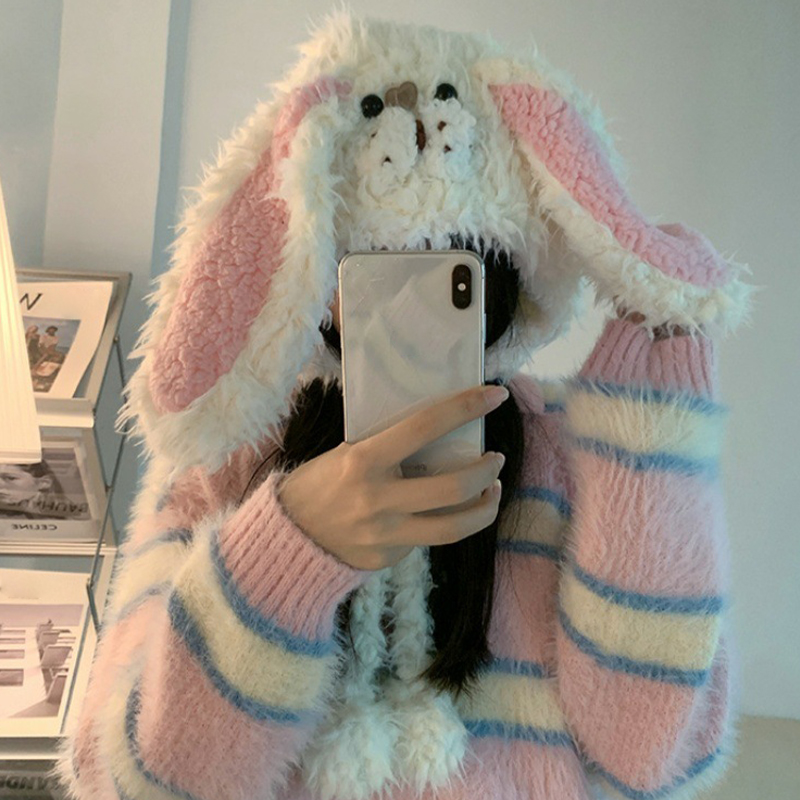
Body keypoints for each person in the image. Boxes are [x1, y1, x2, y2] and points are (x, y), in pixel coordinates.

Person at [54, 11, 755, 800]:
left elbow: (654, 754)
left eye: (453, 272)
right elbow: (123, 783)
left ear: (505, 280)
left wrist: (654, 418)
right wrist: (284, 556)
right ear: (312, 273)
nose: (409, 310)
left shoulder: (574, 456)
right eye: (369, 273)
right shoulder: (230, 460)